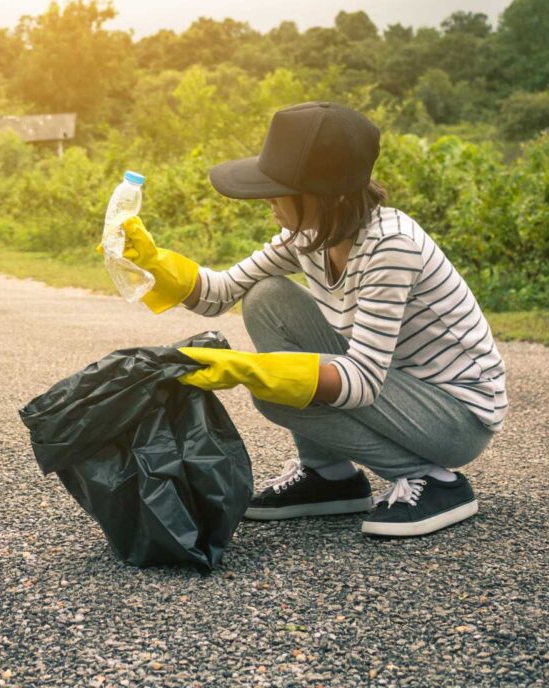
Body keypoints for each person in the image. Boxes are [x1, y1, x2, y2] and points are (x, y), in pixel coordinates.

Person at [117, 101, 506, 537]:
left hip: (455, 414)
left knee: (277, 392)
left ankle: (435, 482)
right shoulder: (310, 234)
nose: (267, 200)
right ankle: (329, 477)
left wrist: (257, 371)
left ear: (326, 196)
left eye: (278, 189)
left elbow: (362, 382)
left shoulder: (391, 247)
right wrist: (149, 262)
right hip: (399, 389)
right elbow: (220, 294)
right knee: (266, 297)